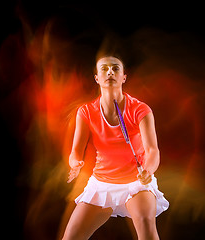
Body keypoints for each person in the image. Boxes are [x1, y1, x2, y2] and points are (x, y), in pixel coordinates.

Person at [62, 53, 169, 240]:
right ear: (97, 78)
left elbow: (153, 150)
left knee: (147, 229)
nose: (110, 71)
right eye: (104, 68)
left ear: (123, 77)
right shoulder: (86, 112)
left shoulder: (140, 109)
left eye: (115, 68)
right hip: (101, 183)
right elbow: (75, 153)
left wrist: (148, 170)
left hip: (137, 184)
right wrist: (75, 163)